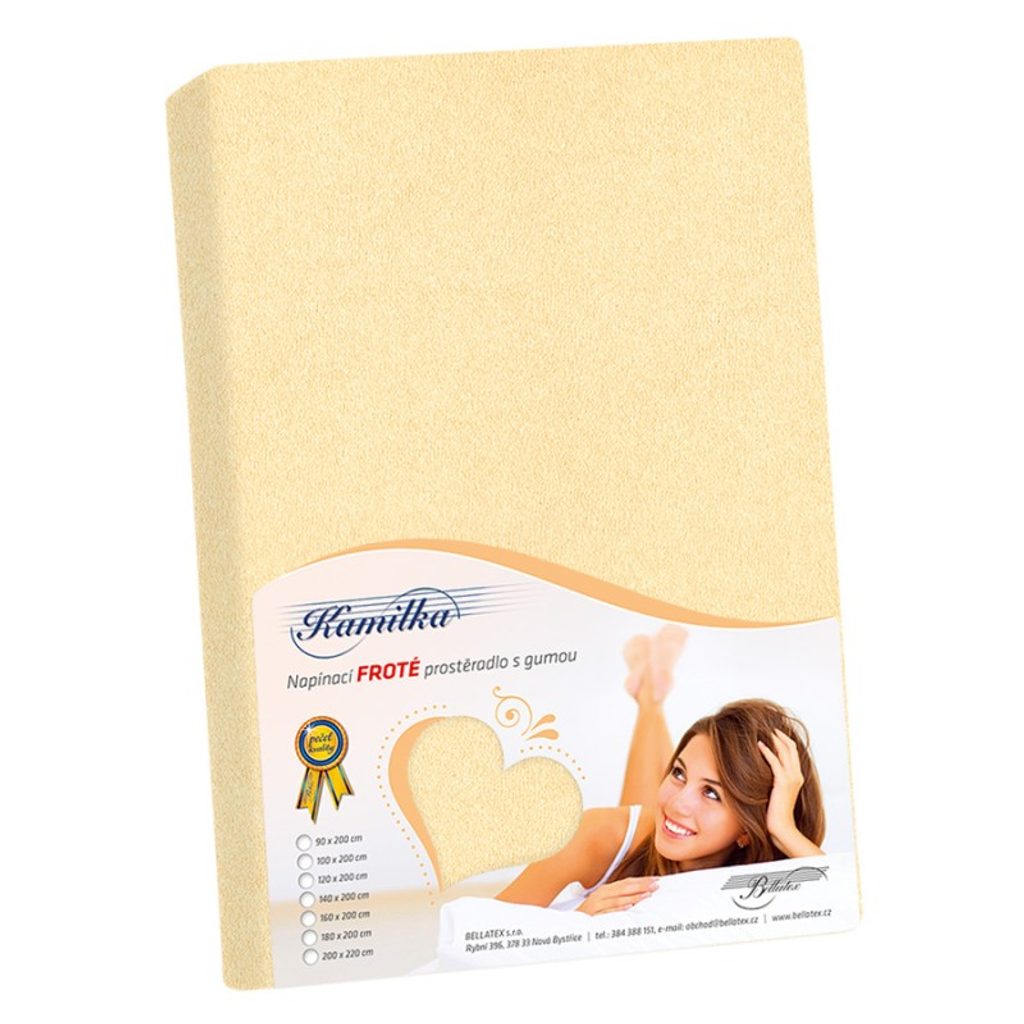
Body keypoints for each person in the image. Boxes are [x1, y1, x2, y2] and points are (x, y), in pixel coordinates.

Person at [495, 625, 826, 915]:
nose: (676, 801)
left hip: (672, 841)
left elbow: (837, 896)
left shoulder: (765, 868)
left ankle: (650, 694)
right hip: (625, 840)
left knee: (660, 818)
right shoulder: (597, 834)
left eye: (712, 793)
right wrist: (576, 923)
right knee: (642, 821)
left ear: (748, 830)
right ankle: (649, 697)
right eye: (678, 773)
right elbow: (489, 927)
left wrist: (783, 829)